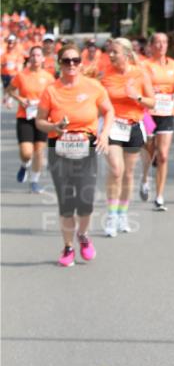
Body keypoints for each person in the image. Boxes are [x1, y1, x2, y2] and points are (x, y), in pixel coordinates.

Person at [35, 43, 114, 267]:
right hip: (58, 149)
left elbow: (109, 110)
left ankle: (83, 236)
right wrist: (54, 127)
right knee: (67, 202)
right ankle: (68, 247)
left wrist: (105, 134)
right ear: (59, 64)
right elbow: (39, 121)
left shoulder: (93, 87)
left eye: (75, 60)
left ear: (81, 63)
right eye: (66, 61)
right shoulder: (51, 90)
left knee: (86, 201)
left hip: (86, 148)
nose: (71, 64)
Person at [100, 38, 155, 237]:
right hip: (112, 126)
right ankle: (111, 215)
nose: (111, 55)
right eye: (109, 52)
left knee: (129, 173)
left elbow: (152, 103)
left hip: (133, 126)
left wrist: (136, 97)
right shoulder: (105, 74)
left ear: (126, 54)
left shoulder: (140, 74)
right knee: (116, 170)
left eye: (114, 52)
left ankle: (123, 214)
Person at [143, 32, 174, 210]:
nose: (161, 45)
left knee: (163, 156)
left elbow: (173, 85)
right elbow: (140, 86)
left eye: (164, 42)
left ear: (168, 45)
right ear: (151, 46)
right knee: (150, 151)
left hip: (166, 111)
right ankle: (145, 178)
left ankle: (159, 196)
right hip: (148, 113)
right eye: (157, 42)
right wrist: (153, 89)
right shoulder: (144, 65)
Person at [8, 44, 54, 192]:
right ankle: (24, 165)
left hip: (42, 118)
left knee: (39, 151)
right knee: (27, 152)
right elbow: (10, 90)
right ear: (30, 57)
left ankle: (34, 181)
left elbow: (55, 96)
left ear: (42, 58)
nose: (35, 58)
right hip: (25, 116)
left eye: (38, 55)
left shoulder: (48, 77)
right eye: (33, 55)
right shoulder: (22, 75)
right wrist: (20, 99)